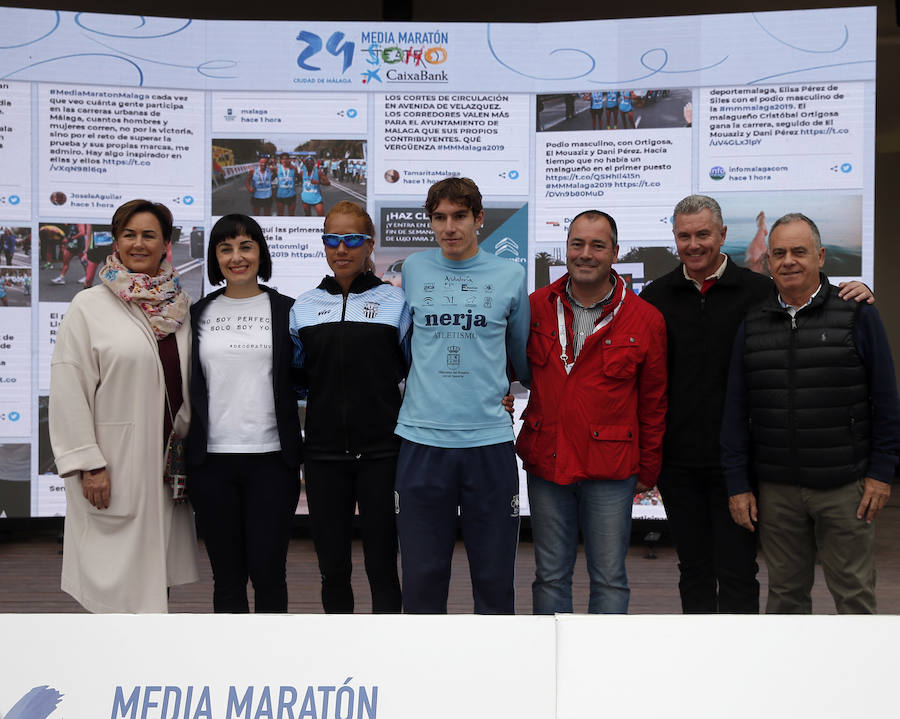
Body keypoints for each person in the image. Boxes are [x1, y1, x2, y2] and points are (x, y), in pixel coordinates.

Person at [640, 195, 874, 614]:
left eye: (703, 234)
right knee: (693, 568)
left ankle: (740, 665)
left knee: (737, 570)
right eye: (684, 236)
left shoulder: (760, 293)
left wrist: (855, 289)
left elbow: (806, 298)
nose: (694, 245)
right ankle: (703, 660)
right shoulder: (656, 297)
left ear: (724, 235)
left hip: (745, 466)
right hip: (679, 464)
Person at [721, 213, 900, 614]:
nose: (789, 261)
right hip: (777, 490)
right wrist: (738, 483)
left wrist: (880, 474)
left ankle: (859, 677)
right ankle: (789, 678)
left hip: (844, 487)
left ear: (820, 256)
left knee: (854, 596)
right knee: (785, 600)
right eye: (779, 253)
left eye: (799, 252)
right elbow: (736, 410)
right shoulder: (752, 323)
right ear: (767, 262)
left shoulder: (856, 313)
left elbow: (886, 401)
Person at [49, 199, 199, 613]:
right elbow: (69, 386)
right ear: (115, 242)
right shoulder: (89, 306)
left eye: (149, 235)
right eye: (129, 234)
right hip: (112, 467)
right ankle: (111, 669)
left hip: (167, 467)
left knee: (156, 572)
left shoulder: (180, 308)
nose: (138, 243)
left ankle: (148, 666)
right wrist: (88, 463)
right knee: (111, 579)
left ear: (165, 244)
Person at [516, 210, 667, 614]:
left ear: (614, 253)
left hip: (611, 468)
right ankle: (551, 668)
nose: (586, 254)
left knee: (609, 578)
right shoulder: (535, 308)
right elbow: (508, 369)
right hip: (548, 459)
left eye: (597, 245)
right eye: (577, 244)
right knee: (549, 575)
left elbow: (653, 403)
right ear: (565, 250)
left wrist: (648, 469)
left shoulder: (645, 318)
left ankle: (604, 672)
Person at [394, 177, 530, 614]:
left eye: (459, 217)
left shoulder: (510, 275)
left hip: (487, 443)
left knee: (493, 579)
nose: (449, 227)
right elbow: (403, 346)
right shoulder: (413, 268)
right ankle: (421, 677)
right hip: (421, 441)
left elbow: (520, 361)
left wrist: (502, 393)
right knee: (421, 579)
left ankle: (492, 678)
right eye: (439, 218)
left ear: (479, 219)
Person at [290, 201, 410, 613]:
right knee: (332, 567)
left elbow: (413, 370)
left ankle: (388, 658)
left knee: (382, 565)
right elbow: (297, 377)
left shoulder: (396, 303)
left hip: (382, 453)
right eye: (332, 239)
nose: (342, 249)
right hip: (323, 455)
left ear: (369, 244)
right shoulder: (302, 307)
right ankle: (340, 655)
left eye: (352, 239)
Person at [187, 214, 302, 613]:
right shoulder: (196, 314)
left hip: (273, 461)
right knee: (227, 577)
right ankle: (231, 665)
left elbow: (309, 377)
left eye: (245, 246)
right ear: (215, 257)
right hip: (211, 464)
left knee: (270, 573)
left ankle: (273, 664)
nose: (236, 257)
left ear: (260, 253)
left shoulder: (289, 311)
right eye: (226, 248)